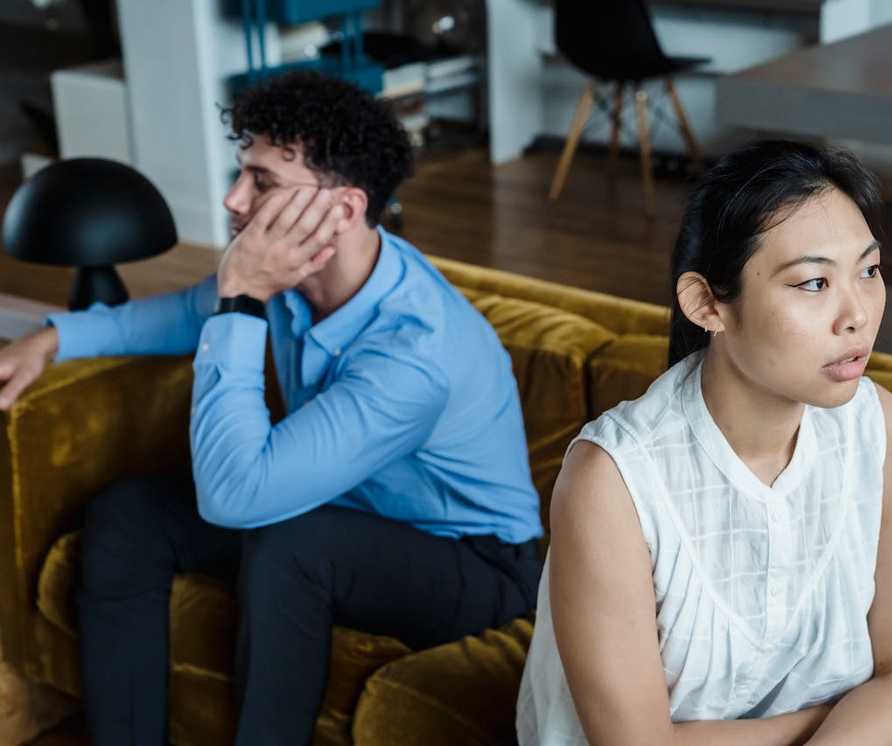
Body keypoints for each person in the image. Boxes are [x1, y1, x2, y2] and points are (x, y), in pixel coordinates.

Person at [0, 70, 543, 745]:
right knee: (129, 516)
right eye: (242, 173)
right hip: (347, 507)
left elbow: (235, 496)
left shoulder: (415, 356)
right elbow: (185, 312)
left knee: (291, 545)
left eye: (262, 182)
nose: (232, 199)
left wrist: (241, 298)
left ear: (342, 209)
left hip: (475, 564)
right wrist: (54, 338)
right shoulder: (297, 273)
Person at [517, 141, 892, 745]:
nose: (857, 314)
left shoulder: (889, 436)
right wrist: (843, 721)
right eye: (814, 282)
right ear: (707, 304)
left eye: (869, 271)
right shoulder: (612, 481)